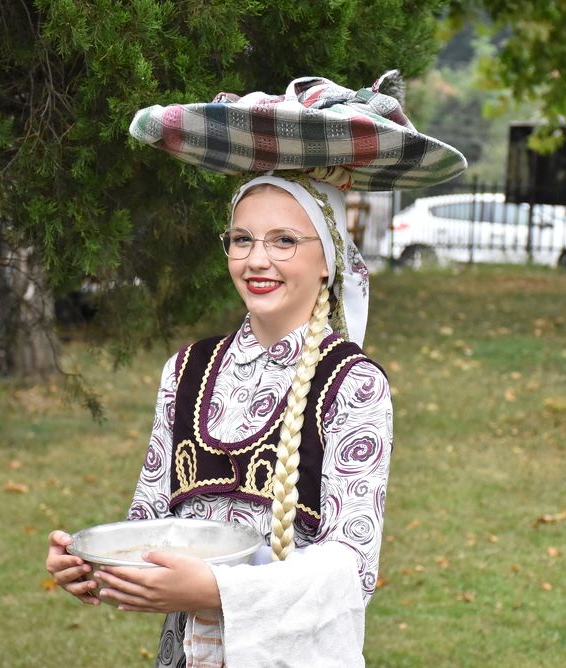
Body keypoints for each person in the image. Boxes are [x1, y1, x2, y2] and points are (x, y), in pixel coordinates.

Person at [46, 73, 466, 667]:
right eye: (241, 239)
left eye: (284, 241)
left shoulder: (352, 383)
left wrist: (217, 592)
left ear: (329, 259)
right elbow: (149, 525)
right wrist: (91, 565)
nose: (257, 260)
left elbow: (352, 570)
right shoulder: (187, 371)